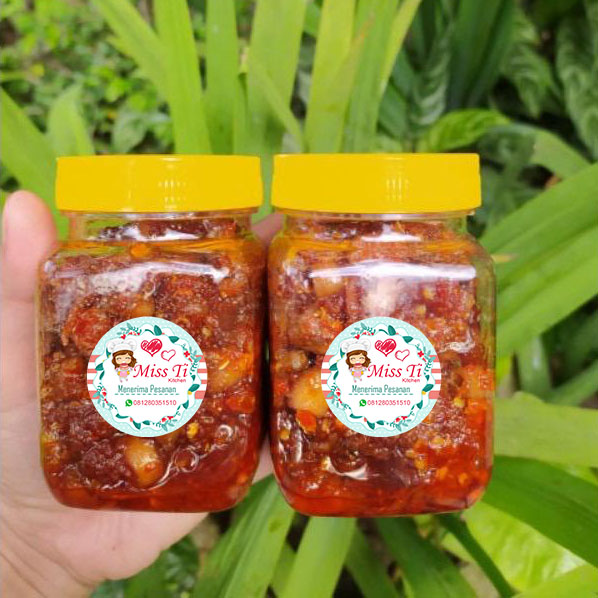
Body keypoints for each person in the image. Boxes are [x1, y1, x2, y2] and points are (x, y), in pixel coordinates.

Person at [0, 191, 279, 597]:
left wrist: (22, 557)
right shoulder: (73, 268)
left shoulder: (231, 264)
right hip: (82, 484)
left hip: (204, 468)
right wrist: (17, 545)